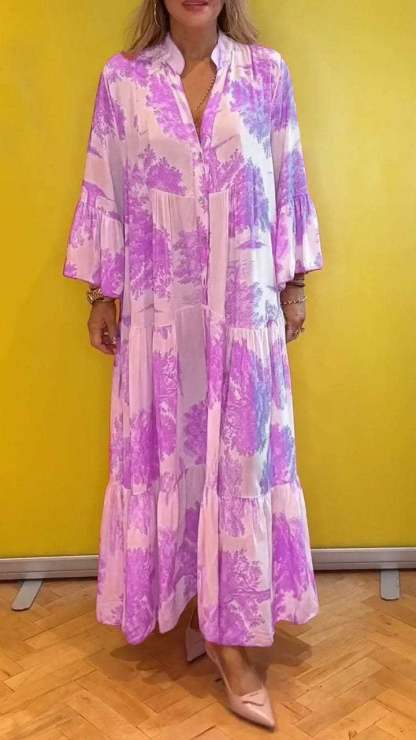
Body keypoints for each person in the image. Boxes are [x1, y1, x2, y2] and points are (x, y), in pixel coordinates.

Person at [62, 0, 324, 729]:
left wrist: (295, 284)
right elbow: (106, 188)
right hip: (161, 319)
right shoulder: (123, 81)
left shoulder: (266, 75)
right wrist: (100, 295)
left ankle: (231, 643)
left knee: (239, 467)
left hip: (242, 312)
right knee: (173, 462)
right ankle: (192, 608)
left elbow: (287, 177)